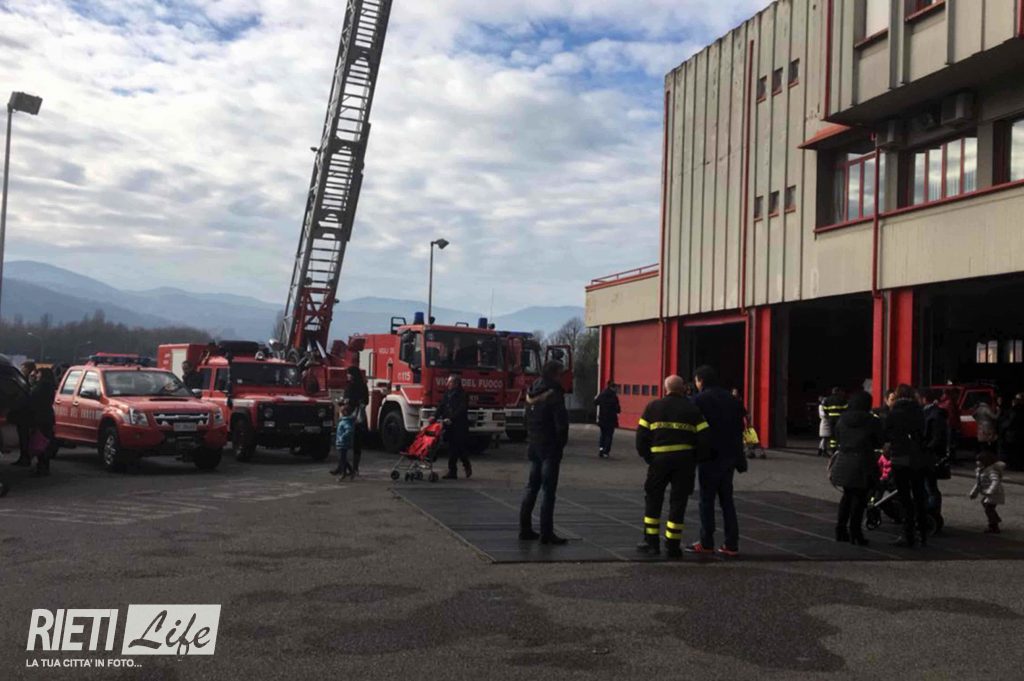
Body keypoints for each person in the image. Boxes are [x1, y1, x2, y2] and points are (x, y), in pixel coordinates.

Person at [635, 374, 710, 559]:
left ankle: (651, 543)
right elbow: (704, 438)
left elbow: (641, 437)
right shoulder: (692, 409)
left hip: (658, 461)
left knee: (653, 500)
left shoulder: (653, 407)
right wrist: (695, 458)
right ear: (683, 388)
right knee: (678, 503)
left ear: (665, 388)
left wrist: (649, 457)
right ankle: (673, 545)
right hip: (684, 463)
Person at [689, 365, 746, 557]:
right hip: (730, 457)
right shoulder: (732, 399)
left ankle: (706, 542)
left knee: (706, 501)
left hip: (709, 457)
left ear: (701, 380)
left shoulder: (699, 400)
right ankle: (731, 544)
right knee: (727, 501)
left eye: (696, 381)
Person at [519, 361, 570, 545]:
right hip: (549, 447)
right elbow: (561, 424)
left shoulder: (531, 391)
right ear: (555, 374)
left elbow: (525, 419)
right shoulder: (554, 393)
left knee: (531, 487)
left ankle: (524, 529)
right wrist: (560, 445)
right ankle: (546, 533)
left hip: (534, 445)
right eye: (560, 373)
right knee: (548, 491)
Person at [830, 391, 883, 545]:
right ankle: (855, 532)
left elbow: (837, 438)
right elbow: (878, 441)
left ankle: (840, 530)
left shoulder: (842, 420)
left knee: (847, 496)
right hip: (863, 461)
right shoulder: (872, 421)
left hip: (845, 461)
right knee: (860, 499)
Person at [885, 384, 931, 547]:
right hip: (918, 458)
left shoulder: (894, 412)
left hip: (900, 457)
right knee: (919, 495)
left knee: (904, 498)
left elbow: (887, 432)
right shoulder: (920, 411)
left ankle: (907, 533)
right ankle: (923, 532)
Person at [920, 388, 948, 533]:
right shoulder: (934, 413)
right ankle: (930, 513)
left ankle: (932, 514)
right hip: (930, 455)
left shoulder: (933, 415)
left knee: (930, 487)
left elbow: (936, 437)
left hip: (930, 456)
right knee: (928, 486)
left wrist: (926, 448)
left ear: (924, 398)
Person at [436, 374, 471, 480]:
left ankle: (463, 466)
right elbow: (442, 406)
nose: (447, 384)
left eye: (449, 382)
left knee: (458, 448)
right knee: (453, 448)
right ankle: (453, 471)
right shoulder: (447, 394)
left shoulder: (463, 395)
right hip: (449, 425)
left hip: (459, 425)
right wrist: (434, 416)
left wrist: (451, 418)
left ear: (456, 383)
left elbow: (461, 409)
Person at [26, 367, 57, 477]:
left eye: (38, 373)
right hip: (47, 416)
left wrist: (31, 383)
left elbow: (32, 398)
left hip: (41, 417)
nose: (36, 375)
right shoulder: (50, 386)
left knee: (40, 441)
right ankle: (44, 466)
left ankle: (42, 467)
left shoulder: (41, 386)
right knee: (44, 441)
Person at [969, 450, 1006, 533]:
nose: (977, 462)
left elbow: (995, 481)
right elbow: (979, 484)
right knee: (986, 506)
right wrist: (973, 493)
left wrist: (990, 491)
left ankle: (994, 525)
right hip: (989, 493)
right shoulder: (981, 471)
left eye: (979, 460)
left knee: (989, 509)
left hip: (995, 493)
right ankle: (994, 522)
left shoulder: (991, 471)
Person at [343, 366, 369, 477]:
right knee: (357, 444)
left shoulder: (350, 386)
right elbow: (366, 401)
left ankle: (349, 468)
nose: (348, 375)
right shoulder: (363, 386)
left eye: (349, 373)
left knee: (346, 442)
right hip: (359, 417)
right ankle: (355, 468)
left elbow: (347, 401)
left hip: (350, 417)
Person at [11, 361, 37, 467]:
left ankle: (26, 458)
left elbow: (28, 395)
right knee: (23, 438)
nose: (22, 370)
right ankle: (23, 457)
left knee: (26, 438)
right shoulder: (23, 379)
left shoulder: (30, 380)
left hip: (26, 414)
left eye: (23, 368)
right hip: (22, 413)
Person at [593, 381, 621, 458]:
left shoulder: (602, 394)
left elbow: (595, 402)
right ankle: (606, 451)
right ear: (613, 387)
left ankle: (601, 450)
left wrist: (596, 398)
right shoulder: (614, 397)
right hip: (611, 419)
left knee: (603, 435)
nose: (616, 389)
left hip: (602, 418)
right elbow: (618, 409)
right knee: (609, 436)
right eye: (615, 388)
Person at [998, 393, 1024, 470]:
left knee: (1013, 451)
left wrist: (1002, 428)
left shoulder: (1014, 410)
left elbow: (1009, 422)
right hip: (1018, 434)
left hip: (1013, 434)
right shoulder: (1016, 410)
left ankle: (1014, 466)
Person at [330, 401, 356, 479]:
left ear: (345, 412)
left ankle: (343, 474)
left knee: (342, 459)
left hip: (342, 443)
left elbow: (349, 430)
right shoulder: (345, 421)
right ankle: (351, 471)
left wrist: (342, 437)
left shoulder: (345, 422)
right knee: (343, 458)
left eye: (341, 412)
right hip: (342, 443)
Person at [822, 387, 847, 456]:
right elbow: (846, 409)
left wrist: (829, 415)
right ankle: (839, 449)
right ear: (838, 392)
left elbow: (824, 409)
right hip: (839, 419)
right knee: (839, 434)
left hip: (831, 419)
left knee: (832, 436)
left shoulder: (828, 399)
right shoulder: (842, 399)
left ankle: (833, 450)